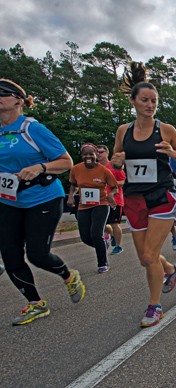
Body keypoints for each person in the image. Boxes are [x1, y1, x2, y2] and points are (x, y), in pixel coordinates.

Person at [111, 63, 176, 327]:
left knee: (148, 256)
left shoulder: (165, 129)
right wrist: (118, 161)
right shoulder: (123, 131)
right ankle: (170, 269)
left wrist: (171, 152)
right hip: (134, 197)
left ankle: (154, 307)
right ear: (133, 101)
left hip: (161, 196)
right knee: (146, 258)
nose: (150, 105)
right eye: (144, 100)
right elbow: (115, 161)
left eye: (154, 101)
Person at [0, 79, 85, 325]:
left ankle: (69, 276)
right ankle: (35, 303)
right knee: (11, 254)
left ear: (18, 100)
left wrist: (40, 166)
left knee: (37, 254)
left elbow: (65, 162)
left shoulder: (32, 129)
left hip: (43, 197)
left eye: (2, 93)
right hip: (9, 200)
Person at [68, 143, 119, 273]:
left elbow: (114, 187)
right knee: (85, 237)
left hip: (101, 204)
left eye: (91, 154)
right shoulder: (76, 169)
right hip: (83, 206)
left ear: (96, 155)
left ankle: (102, 263)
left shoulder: (103, 170)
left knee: (96, 234)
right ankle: (104, 245)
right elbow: (73, 185)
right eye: (85, 154)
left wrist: (111, 195)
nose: (88, 156)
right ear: (82, 155)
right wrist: (71, 197)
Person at [97, 144, 126, 255]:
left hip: (115, 199)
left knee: (114, 224)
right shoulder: (95, 167)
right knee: (101, 224)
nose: (98, 154)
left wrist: (111, 183)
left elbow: (123, 181)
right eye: (97, 152)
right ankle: (112, 235)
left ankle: (118, 246)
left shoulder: (114, 166)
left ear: (107, 153)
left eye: (101, 152)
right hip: (100, 200)